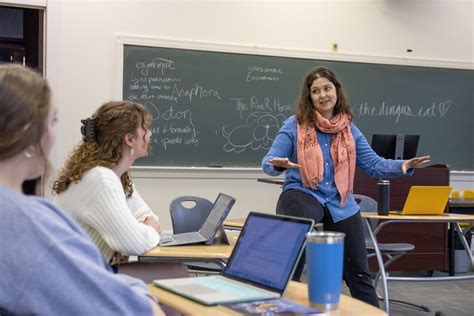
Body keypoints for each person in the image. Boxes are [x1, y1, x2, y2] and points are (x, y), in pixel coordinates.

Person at [0, 64, 163, 315]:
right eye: (52, 121)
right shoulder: (24, 219)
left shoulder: (107, 176)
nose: (53, 134)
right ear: (28, 132)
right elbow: (118, 293)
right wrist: (143, 299)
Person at [261, 66, 430, 307]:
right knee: (294, 248)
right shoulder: (295, 125)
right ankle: (282, 304)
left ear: (336, 91)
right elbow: (268, 161)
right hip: (303, 193)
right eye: (316, 91)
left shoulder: (349, 129)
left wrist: (403, 165)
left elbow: (373, 164)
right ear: (309, 97)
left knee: (359, 271)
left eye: (327, 88)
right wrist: (278, 165)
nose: (322, 95)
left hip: (340, 201)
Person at [52, 101, 188, 283]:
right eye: (145, 129)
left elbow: (147, 215)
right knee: (177, 271)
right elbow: (132, 242)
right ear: (130, 139)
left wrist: (145, 227)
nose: (149, 135)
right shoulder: (101, 179)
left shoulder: (114, 175)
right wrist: (148, 229)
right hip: (77, 278)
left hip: (83, 270)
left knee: (174, 270)